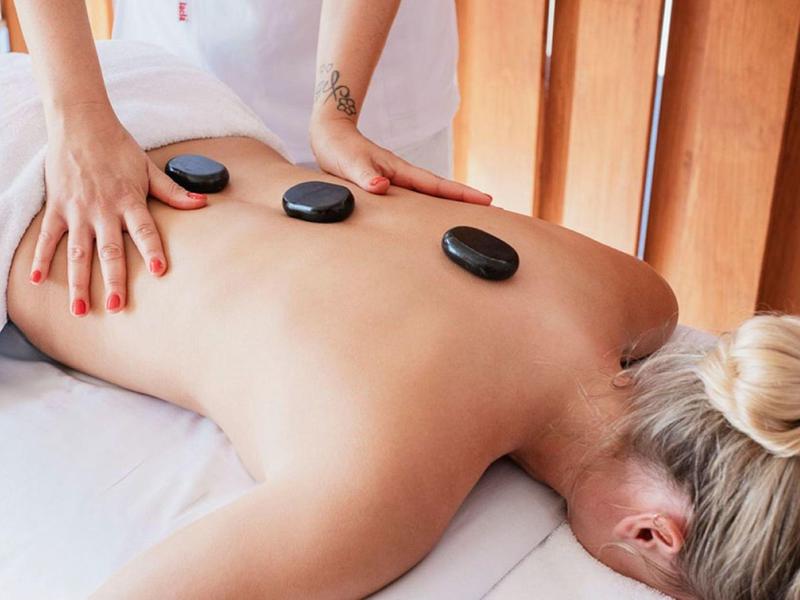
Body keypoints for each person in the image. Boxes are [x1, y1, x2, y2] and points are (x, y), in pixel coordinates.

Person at [9, 125, 800, 598]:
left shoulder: (640, 296)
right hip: (23, 186)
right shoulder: (382, 489)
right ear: (656, 536)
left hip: (170, 102)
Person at [14, 0, 489, 317]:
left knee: (397, 309)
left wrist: (335, 117)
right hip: (166, 88)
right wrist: (79, 115)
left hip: (368, 92)